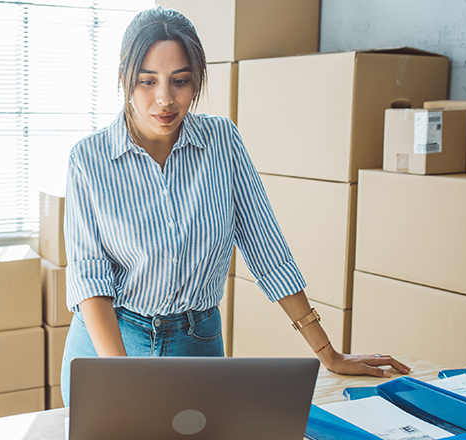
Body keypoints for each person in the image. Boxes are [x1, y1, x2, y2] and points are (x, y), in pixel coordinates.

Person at [59, 6, 409, 407]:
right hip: (112, 347)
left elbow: (266, 248)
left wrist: (327, 352)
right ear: (123, 78)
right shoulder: (88, 159)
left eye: (181, 81)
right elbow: (91, 282)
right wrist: (123, 378)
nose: (165, 99)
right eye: (146, 81)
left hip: (197, 343)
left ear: (197, 81)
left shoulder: (222, 142)